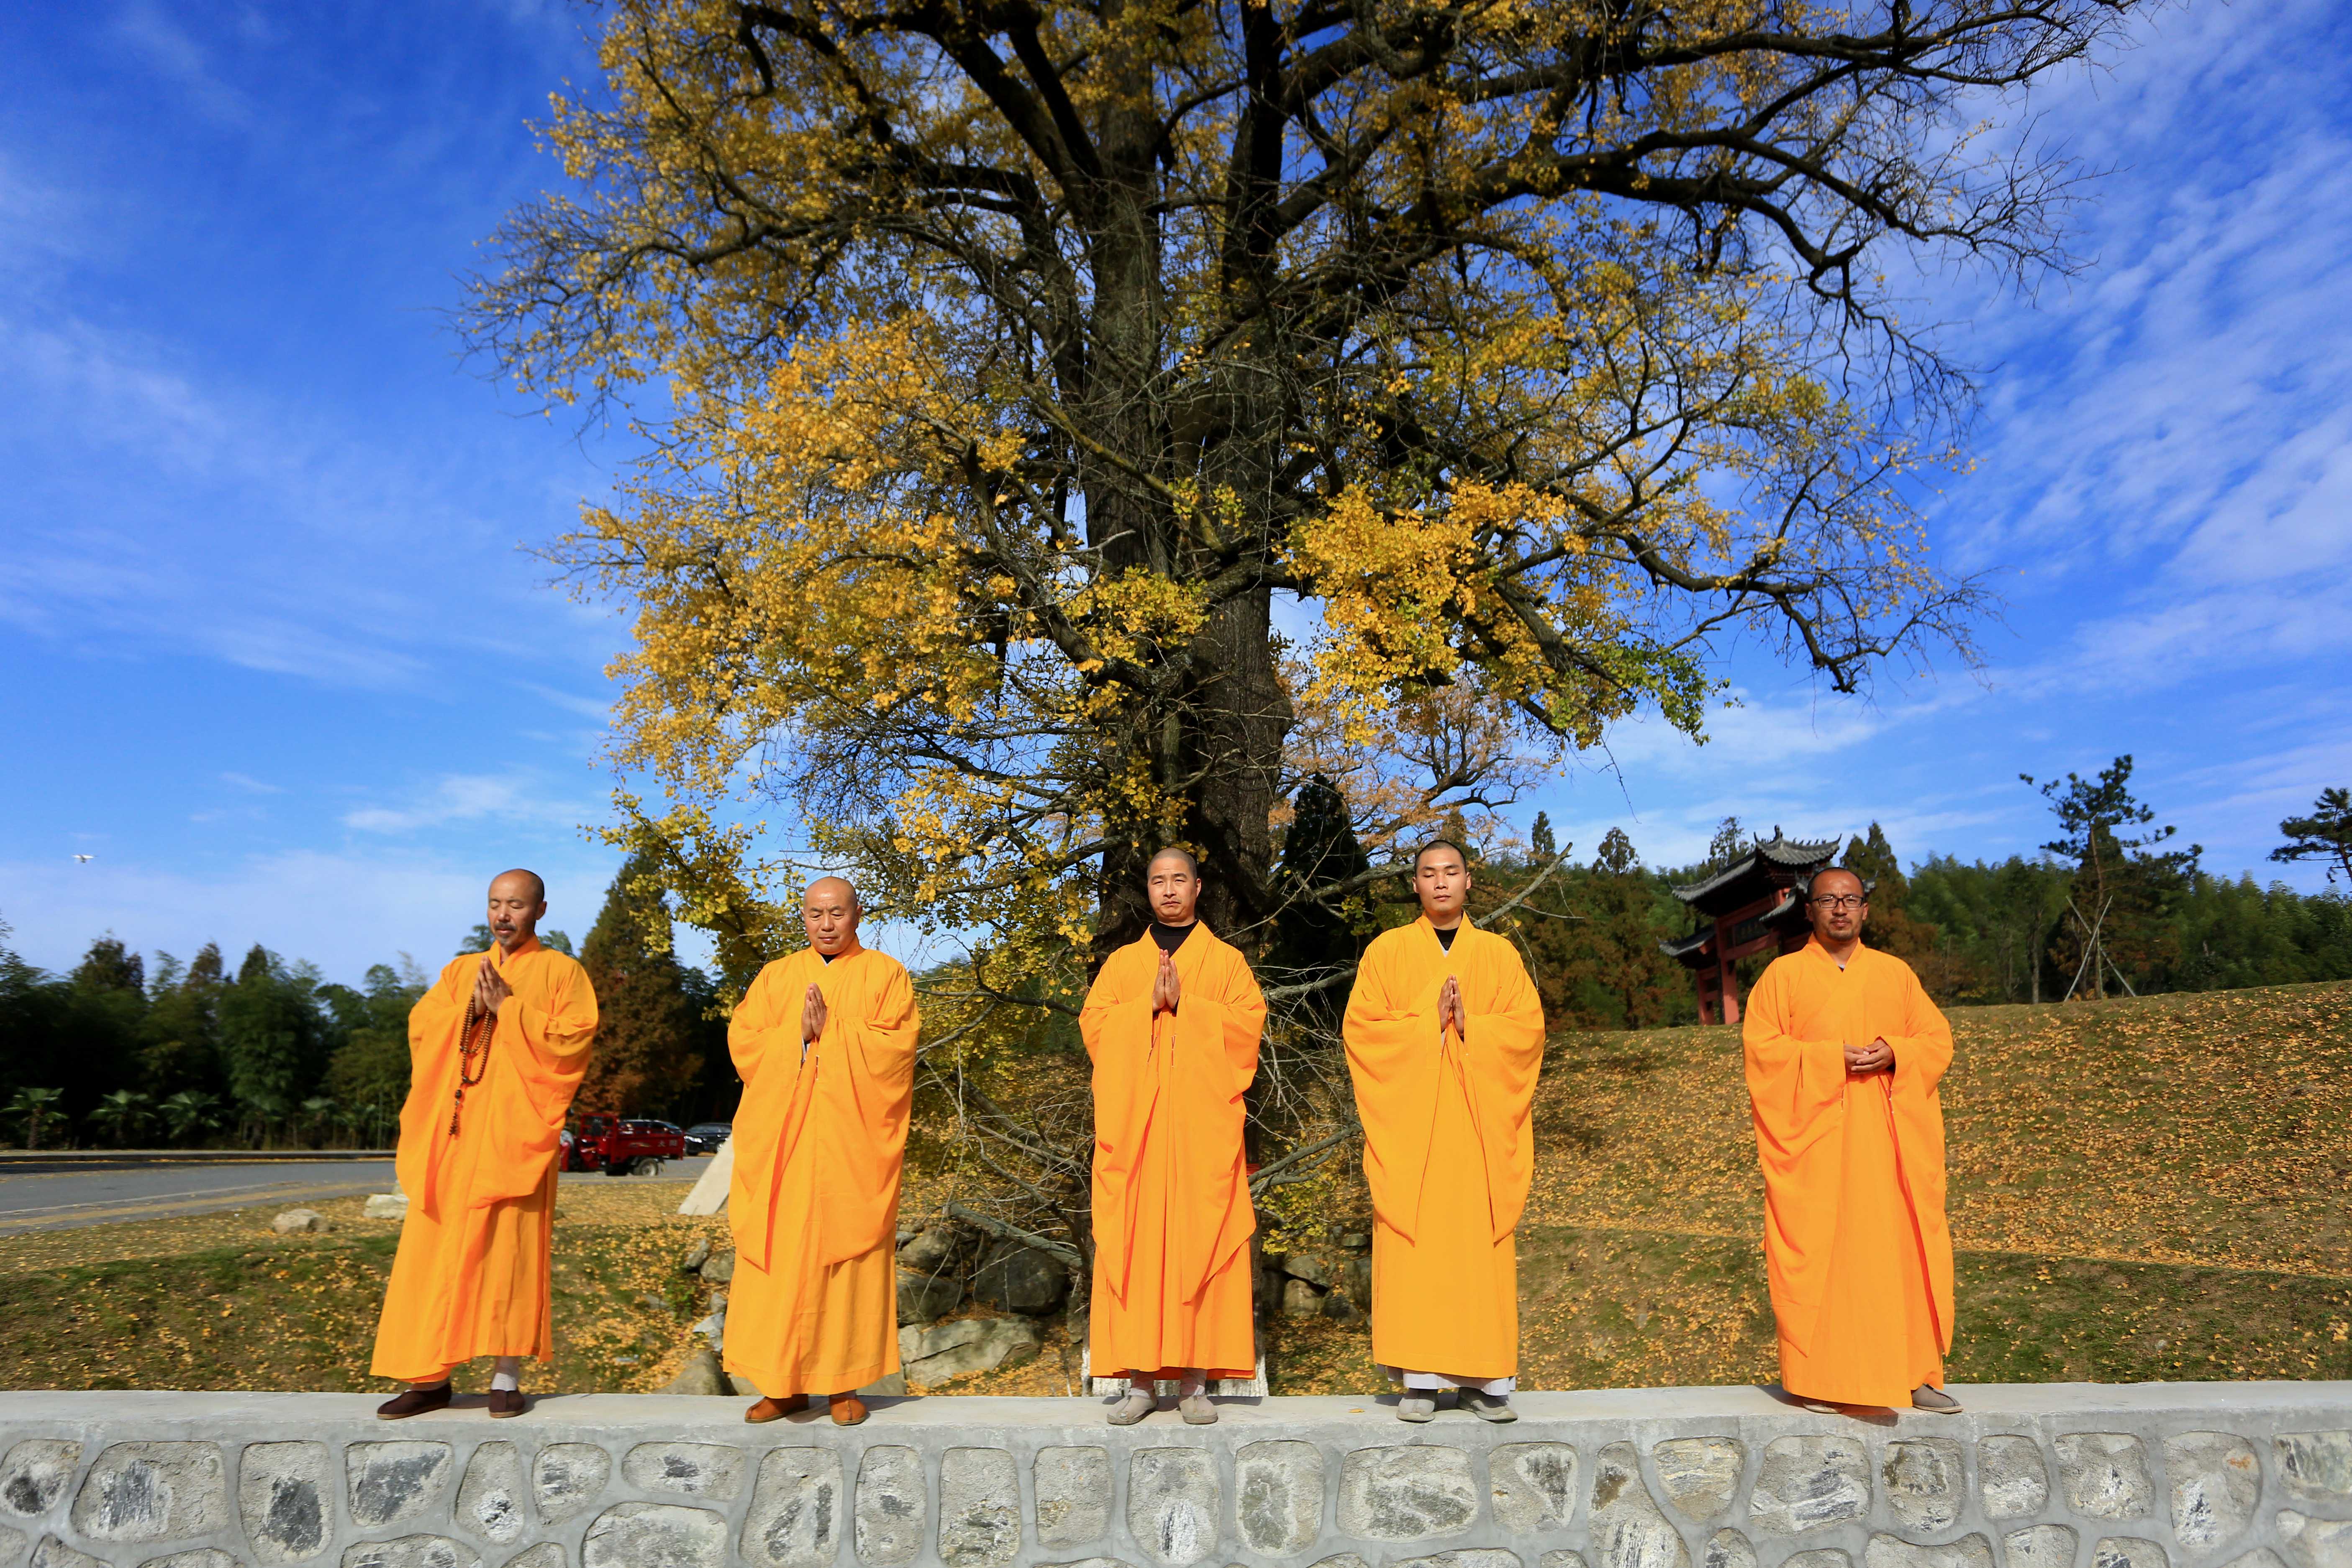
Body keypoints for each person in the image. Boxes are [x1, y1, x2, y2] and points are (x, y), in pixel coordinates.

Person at [372, 869, 598, 1418]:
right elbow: (424, 1029)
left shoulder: (562, 972)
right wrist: (467, 1011)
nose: (503, 915)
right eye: (495, 904)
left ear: (540, 911)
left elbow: (573, 1041)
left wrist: (510, 1011)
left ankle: (505, 1377)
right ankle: (428, 1378)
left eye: (516, 906)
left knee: (508, 1256)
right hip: (453, 1138)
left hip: (514, 1138)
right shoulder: (460, 972)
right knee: (434, 1255)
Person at [1743, 866, 1960, 1414]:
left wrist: (1896, 1051)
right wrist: (1823, 1058)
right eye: (1827, 900)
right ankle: (1818, 1381)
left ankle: (1911, 1376)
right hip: (1816, 1147)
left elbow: (1935, 1040)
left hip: (1887, 1145)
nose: (1839, 909)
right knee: (1824, 1257)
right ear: (1807, 910)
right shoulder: (1781, 978)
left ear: (1865, 909)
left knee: (1898, 1254)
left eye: (1850, 899)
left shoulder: (1895, 975)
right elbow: (1762, 1054)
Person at [1342, 840, 1545, 1422]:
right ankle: (1420, 1381)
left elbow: (1526, 1033)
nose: (1439, 883)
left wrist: (1470, 1026)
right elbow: (1362, 1034)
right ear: (1414, 885)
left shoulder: (1499, 954)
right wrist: (1424, 1027)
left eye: (1449, 872)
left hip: (1478, 1133)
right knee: (1418, 1254)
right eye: (1427, 874)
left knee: (1476, 1255)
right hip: (1414, 1136)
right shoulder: (1386, 952)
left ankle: (1485, 1382)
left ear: (1468, 881)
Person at [726, 876, 920, 1426]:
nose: (826, 924)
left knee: (846, 1266)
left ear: (858, 914)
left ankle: (842, 1385)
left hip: (848, 1152)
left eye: (837, 913)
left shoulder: (885, 975)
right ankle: (781, 1383)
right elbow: (744, 1042)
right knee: (784, 1267)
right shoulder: (776, 977)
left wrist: (831, 1035)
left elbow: (896, 1048)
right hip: (783, 1152)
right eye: (815, 914)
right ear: (803, 918)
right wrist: (796, 1033)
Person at [1080, 847, 1264, 1425]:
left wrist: (1189, 1006)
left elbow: (1246, 1031)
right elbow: (1096, 1030)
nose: (1168, 890)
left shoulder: (1227, 962)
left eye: (1178, 879)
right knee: (1133, 1244)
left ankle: (1193, 1382)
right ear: (1148, 889)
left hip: (1199, 1135)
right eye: (1158, 880)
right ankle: (1138, 1380)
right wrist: (1147, 1008)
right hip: (1135, 1135)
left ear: (1198, 886)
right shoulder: (1120, 966)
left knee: (1198, 1244)